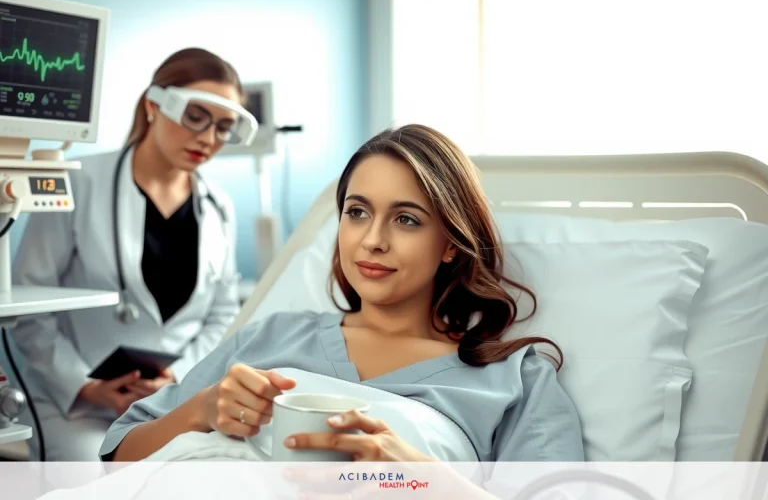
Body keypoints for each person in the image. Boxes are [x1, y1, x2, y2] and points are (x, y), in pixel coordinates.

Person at [99, 124, 584, 469]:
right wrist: (200, 409)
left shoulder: (512, 380)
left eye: (407, 219)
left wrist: (424, 481)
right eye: (357, 212)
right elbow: (117, 456)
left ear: (451, 245)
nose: (372, 239)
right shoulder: (271, 335)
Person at [11, 48, 246, 461]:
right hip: (76, 404)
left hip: (172, 401)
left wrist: (178, 379)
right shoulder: (78, 183)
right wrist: (86, 387)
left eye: (224, 126)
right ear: (154, 105)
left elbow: (222, 313)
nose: (208, 138)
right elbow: (28, 304)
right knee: (101, 479)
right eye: (195, 117)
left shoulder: (219, 206)